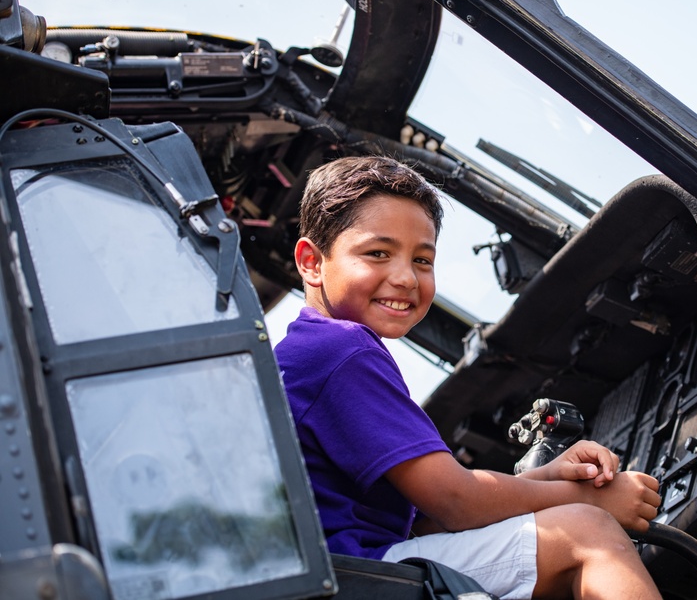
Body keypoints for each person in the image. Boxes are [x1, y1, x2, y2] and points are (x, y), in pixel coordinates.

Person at [275, 155, 663, 600]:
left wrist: (553, 478)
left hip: (350, 571)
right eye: (378, 253)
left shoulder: (307, 351)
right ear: (311, 262)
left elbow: (425, 518)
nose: (405, 277)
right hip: (356, 577)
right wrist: (591, 500)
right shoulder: (342, 350)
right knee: (587, 533)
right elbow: (456, 502)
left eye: (422, 260)